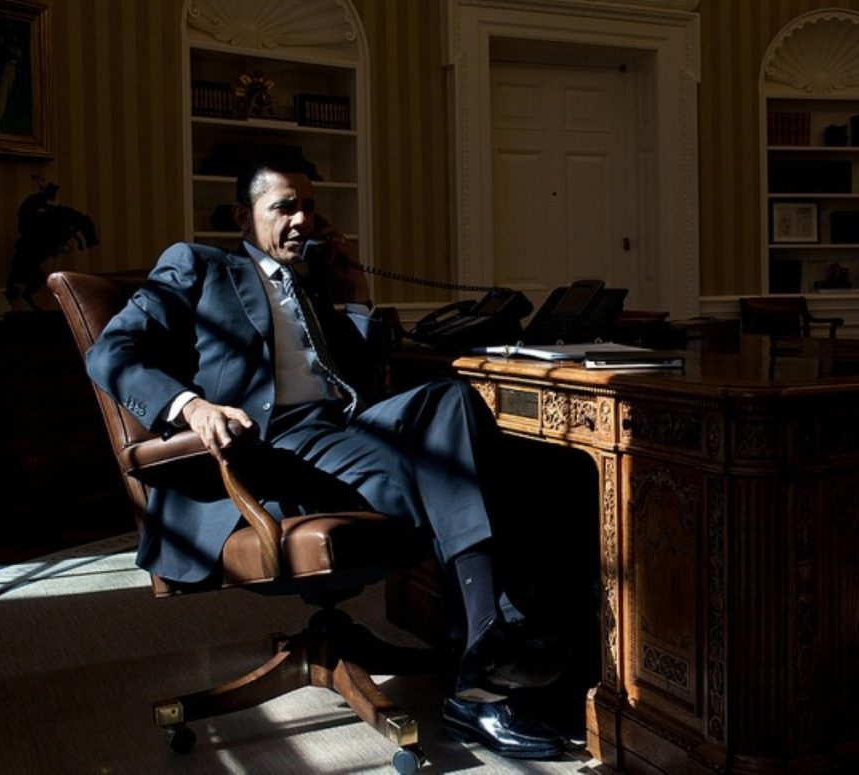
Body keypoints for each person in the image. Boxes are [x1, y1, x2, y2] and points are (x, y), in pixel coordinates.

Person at [85, 155, 568, 759]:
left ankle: (487, 645)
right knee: (442, 475)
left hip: (343, 429)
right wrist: (191, 406)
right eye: (284, 206)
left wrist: (357, 299)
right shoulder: (199, 265)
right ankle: (488, 671)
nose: (302, 219)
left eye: (309, 206)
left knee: (451, 404)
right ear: (244, 215)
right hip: (269, 447)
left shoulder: (311, 285)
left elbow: (363, 382)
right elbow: (111, 353)